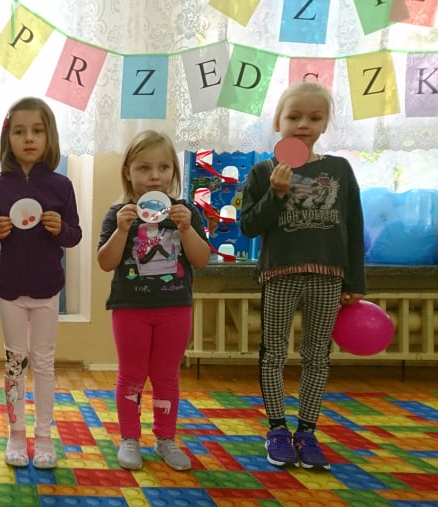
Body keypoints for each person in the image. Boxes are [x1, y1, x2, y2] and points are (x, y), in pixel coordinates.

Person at [240, 81, 366, 470]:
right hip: (280, 274)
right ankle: (277, 429)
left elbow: (354, 225)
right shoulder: (263, 171)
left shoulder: (339, 169)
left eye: (314, 117)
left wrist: (355, 282)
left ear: (325, 124)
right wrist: (275, 193)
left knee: (317, 356)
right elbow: (248, 226)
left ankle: (307, 431)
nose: (303, 125)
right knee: (274, 353)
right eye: (294, 116)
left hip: (328, 276)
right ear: (278, 121)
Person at [96, 130, 210, 472]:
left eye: (163, 167)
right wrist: (121, 230)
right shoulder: (119, 214)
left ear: (174, 170)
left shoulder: (186, 212)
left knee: (166, 375)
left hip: (175, 308)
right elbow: (105, 262)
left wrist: (187, 229)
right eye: (144, 168)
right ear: (128, 172)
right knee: (131, 374)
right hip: (130, 309)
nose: (155, 175)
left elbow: (201, 260)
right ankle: (130, 438)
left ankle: (165, 438)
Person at [0, 97, 81, 469]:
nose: (29, 138)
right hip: (10, 288)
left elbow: (74, 235)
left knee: (44, 362)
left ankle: (44, 437)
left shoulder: (61, 185)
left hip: (47, 287)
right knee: (14, 362)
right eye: (20, 131)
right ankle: (16, 434)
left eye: (37, 130)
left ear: (48, 136)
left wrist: (59, 228)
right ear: (8, 139)